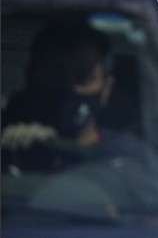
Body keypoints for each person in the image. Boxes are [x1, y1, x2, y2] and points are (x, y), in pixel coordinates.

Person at [1, 18, 135, 171]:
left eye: (84, 77)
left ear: (106, 89)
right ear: (31, 76)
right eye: (55, 74)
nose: (69, 87)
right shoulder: (8, 149)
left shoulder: (128, 159)